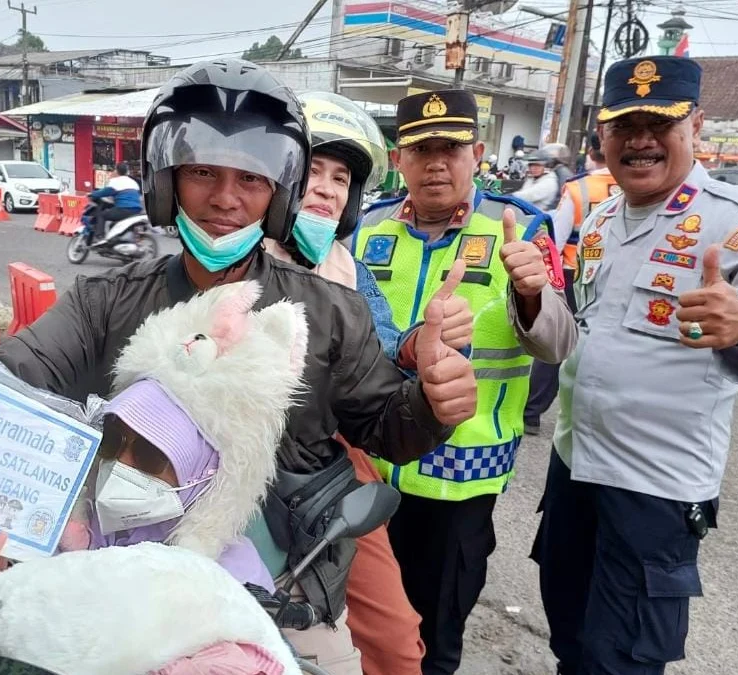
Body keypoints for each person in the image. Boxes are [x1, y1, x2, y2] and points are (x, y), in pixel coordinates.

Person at [0, 59, 478, 674]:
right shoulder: (104, 303)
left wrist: (432, 402)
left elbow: (388, 430)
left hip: (288, 574)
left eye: (250, 178)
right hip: (125, 571)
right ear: (167, 181)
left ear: (280, 194)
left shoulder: (330, 311)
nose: (225, 198)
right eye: (201, 173)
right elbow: (7, 380)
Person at [530, 56, 738, 675]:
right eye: (625, 124)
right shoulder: (598, 220)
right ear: (603, 137)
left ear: (695, 126)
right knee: (568, 633)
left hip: (657, 488)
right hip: (577, 466)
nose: (641, 139)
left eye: (661, 122)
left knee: (620, 658)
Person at [352, 89, 578, 675]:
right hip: (366, 469)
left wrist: (530, 294)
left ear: (476, 153)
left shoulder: (520, 226)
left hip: (459, 482)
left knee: (434, 641)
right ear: (397, 159)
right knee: (360, 634)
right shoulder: (366, 227)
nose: (435, 163)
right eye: (419, 148)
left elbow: (559, 342)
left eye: (449, 148)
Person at [263, 90, 466, 675]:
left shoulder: (344, 265)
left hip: (331, 466)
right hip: (230, 469)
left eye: (342, 177)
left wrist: (417, 350)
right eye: (312, 172)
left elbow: (380, 359)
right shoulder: (234, 254)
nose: (327, 188)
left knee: (396, 643)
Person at [0, 279, 309, 595]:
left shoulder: (229, 584)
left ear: (205, 477)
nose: (119, 464)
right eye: (112, 440)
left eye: (150, 455)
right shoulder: (57, 522)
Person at [524, 133, 619, 434]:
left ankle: (532, 412)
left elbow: (557, 239)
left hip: (573, 273)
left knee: (557, 342)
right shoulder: (644, 185)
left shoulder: (579, 187)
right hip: (617, 277)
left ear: (591, 153)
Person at [88, 161, 144, 235]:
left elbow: (104, 192)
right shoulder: (133, 182)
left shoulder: (115, 182)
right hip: (137, 210)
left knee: (102, 215)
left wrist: (92, 194)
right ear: (127, 172)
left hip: (124, 209)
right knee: (114, 224)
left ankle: (99, 235)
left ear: (116, 171)